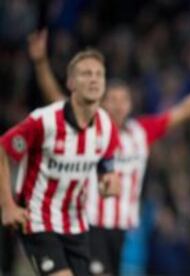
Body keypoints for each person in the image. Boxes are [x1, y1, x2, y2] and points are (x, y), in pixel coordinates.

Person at [28, 29, 190, 275]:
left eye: (123, 100)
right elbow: (57, 100)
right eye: (112, 99)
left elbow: (182, 111)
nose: (118, 105)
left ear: (131, 104)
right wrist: (41, 62)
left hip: (120, 229)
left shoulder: (141, 131)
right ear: (102, 102)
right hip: (90, 224)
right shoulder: (91, 128)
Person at [0, 48, 120, 276]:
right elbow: (3, 149)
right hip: (38, 220)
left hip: (76, 225)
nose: (94, 79)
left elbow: (107, 168)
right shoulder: (44, 121)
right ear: (71, 83)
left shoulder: (106, 126)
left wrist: (109, 183)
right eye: (86, 74)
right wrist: (7, 205)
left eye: (99, 74)